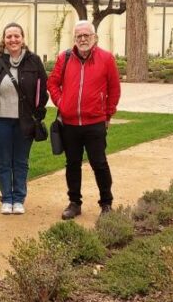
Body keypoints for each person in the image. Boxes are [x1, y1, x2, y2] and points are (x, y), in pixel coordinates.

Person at [48, 20, 121, 220]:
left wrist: (108, 114)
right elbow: (52, 83)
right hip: (70, 124)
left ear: (94, 37)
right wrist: (61, 102)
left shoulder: (106, 59)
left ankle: (106, 203)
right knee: (72, 164)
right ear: (74, 39)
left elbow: (114, 89)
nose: (83, 39)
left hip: (95, 123)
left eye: (86, 35)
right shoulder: (64, 58)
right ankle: (74, 203)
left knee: (99, 163)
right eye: (79, 36)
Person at [0, 23, 49, 215]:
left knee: (20, 161)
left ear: (23, 38)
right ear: (4, 39)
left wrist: (38, 113)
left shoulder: (34, 61)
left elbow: (43, 91)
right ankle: (6, 199)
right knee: (3, 161)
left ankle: (18, 198)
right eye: (9, 36)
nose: (13, 40)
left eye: (16, 36)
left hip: (24, 121)